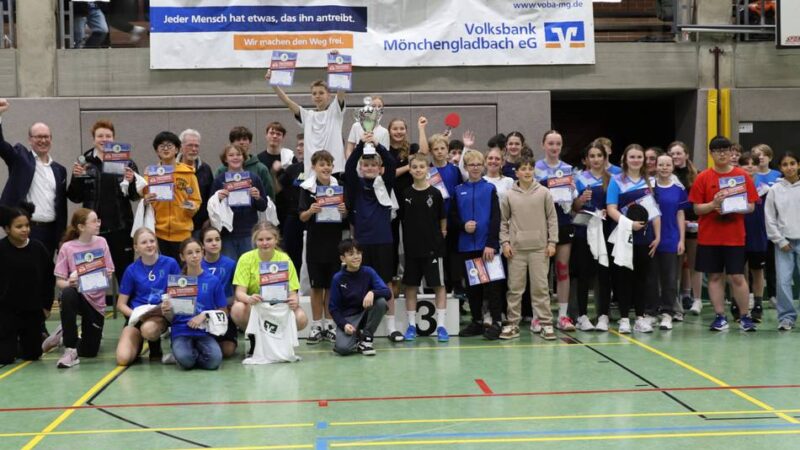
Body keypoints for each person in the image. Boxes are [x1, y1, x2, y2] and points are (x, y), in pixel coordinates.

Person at [688, 136, 759, 332]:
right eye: (717, 150)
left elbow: (751, 206)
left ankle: (745, 317)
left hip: (734, 237)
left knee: (737, 277)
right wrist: (713, 205)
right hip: (709, 237)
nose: (722, 154)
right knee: (715, 277)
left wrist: (733, 207)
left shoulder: (742, 176)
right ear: (711, 154)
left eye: (725, 150)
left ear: (731, 153)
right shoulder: (703, 178)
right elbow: (696, 209)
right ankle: (720, 317)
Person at [67, 120, 138, 291]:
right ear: (93, 139)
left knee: (125, 274)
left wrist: (132, 180)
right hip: (92, 231)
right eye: (100, 136)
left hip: (121, 228)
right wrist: (76, 177)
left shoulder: (127, 162)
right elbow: (75, 197)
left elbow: (135, 196)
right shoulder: (84, 163)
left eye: (108, 136)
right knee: (92, 276)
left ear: (113, 138)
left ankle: (130, 316)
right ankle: (92, 317)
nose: (104, 139)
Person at [344, 133, 400, 341]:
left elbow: (392, 165)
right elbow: (349, 167)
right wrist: (360, 145)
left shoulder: (384, 183)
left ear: (379, 168)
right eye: (365, 166)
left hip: (384, 241)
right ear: (361, 168)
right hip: (362, 243)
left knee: (386, 284)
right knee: (363, 284)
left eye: (373, 166)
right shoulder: (356, 185)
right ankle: (365, 327)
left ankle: (392, 327)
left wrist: (378, 146)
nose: (369, 168)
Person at [0, 98, 68, 259]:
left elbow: (61, 206)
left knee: (45, 277)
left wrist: (62, 236)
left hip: (51, 232)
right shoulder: (20, 159)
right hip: (26, 229)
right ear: (30, 140)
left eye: (46, 137)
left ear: (51, 139)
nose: (42, 140)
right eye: (38, 137)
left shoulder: (60, 170)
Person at [499, 157, 558, 341]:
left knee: (540, 288)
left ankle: (546, 324)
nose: (526, 172)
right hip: (516, 250)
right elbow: (503, 222)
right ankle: (512, 324)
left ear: (534, 171)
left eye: (529, 169)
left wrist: (552, 242)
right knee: (515, 289)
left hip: (540, 249)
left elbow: (552, 219)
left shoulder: (544, 193)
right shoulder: (509, 195)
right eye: (522, 169)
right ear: (516, 172)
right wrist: (505, 243)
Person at [606, 144, 662, 333]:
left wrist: (658, 235)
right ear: (625, 159)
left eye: (639, 157)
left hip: (645, 238)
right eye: (632, 157)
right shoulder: (616, 181)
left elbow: (654, 212)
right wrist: (628, 223)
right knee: (623, 278)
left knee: (641, 278)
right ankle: (623, 319)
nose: (636, 160)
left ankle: (640, 317)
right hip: (624, 236)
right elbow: (611, 208)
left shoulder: (651, 182)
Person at [50, 208, 114, 368]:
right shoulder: (67, 247)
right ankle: (70, 349)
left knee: (89, 351)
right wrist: (70, 283)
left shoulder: (102, 243)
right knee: (68, 293)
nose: (98, 223)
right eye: (94, 221)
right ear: (81, 227)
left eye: (98, 220)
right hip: (77, 296)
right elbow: (59, 281)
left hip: (95, 302)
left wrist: (99, 276)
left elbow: (110, 273)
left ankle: (62, 334)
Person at [231, 222, 308, 354]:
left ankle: (279, 341)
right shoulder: (245, 259)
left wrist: (294, 300)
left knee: (301, 318)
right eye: (260, 239)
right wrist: (249, 298)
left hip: (279, 306)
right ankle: (254, 337)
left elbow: (293, 292)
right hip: (256, 306)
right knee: (237, 309)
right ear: (255, 241)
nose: (265, 243)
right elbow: (239, 293)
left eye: (269, 239)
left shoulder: (284, 259)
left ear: (276, 239)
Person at [451, 150, 503, 339]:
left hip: (486, 246)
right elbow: (453, 218)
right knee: (473, 287)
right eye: (471, 165)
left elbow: (496, 218)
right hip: (467, 246)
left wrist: (491, 243)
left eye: (478, 164)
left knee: (492, 286)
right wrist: (463, 226)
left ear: (483, 166)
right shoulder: (458, 190)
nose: (475, 168)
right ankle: (477, 321)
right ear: (465, 167)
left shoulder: (489, 189)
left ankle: (497, 321)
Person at [298, 150, 347, 344]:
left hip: (334, 243)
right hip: (315, 243)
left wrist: (344, 211)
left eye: (329, 164)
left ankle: (330, 325)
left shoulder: (340, 186)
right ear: (314, 167)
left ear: (333, 167)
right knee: (317, 287)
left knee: (331, 286)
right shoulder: (306, 188)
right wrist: (310, 210)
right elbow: (301, 217)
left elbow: (346, 216)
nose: (325, 167)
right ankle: (317, 325)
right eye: (321, 164)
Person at [400, 153, 449, 342]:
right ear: (410, 170)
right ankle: (411, 325)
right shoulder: (405, 194)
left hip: (433, 250)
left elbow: (442, 217)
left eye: (422, 166)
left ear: (428, 169)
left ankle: (442, 326)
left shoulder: (435, 193)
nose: (418, 170)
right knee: (411, 287)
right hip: (412, 250)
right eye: (415, 167)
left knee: (439, 285)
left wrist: (442, 233)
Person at [115, 227, 181, 366]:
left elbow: (179, 295)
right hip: (137, 317)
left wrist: (168, 306)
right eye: (144, 242)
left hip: (161, 315)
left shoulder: (170, 263)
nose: (149, 245)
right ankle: (138, 343)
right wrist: (137, 315)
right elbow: (121, 304)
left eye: (152, 241)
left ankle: (155, 348)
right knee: (123, 359)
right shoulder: (131, 270)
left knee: (149, 329)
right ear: (136, 247)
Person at [266, 63, 346, 176]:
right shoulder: (307, 116)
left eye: (321, 93)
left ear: (329, 95)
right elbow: (288, 102)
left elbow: (341, 89)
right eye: (314, 94)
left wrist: (339, 64)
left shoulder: (335, 112)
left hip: (334, 171)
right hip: (312, 173)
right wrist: (274, 84)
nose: (317, 96)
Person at [0, 203, 55, 364]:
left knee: (33, 354)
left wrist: (46, 306)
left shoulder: (38, 248)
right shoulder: (1, 250)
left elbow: (48, 279)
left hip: (32, 311)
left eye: (27, 225)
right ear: (7, 229)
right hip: (6, 312)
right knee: (5, 358)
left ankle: (33, 340)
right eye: (19, 226)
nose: (24, 229)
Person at [160, 238, 226, 370]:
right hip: (181, 332)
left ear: (202, 253)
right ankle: (182, 356)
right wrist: (167, 312)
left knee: (214, 362)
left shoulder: (213, 280)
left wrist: (205, 315)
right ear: (182, 257)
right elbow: (171, 319)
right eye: (189, 253)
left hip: (204, 332)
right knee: (187, 361)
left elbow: (224, 311)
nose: (194, 256)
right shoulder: (176, 282)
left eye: (197, 251)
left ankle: (184, 355)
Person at [534, 130, 576, 331]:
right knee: (540, 273)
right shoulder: (535, 169)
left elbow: (574, 201)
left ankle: (563, 316)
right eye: (550, 143)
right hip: (541, 225)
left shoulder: (568, 169)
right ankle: (538, 316)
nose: (554, 147)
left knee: (562, 269)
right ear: (543, 145)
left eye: (558, 143)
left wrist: (574, 191)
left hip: (563, 222)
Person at [571, 143, 613, 331]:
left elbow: (616, 205)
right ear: (587, 159)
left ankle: (603, 315)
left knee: (604, 274)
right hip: (583, 232)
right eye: (592, 156)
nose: (596, 159)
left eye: (599, 155)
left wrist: (607, 211)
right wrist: (580, 200)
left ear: (605, 158)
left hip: (605, 231)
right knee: (583, 275)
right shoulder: (579, 179)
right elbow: (574, 208)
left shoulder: (613, 179)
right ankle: (582, 316)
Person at [142, 131, 201, 261]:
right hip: (158, 234)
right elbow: (143, 199)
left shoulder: (188, 174)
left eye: (170, 145)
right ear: (157, 151)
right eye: (161, 146)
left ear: (177, 150)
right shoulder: (150, 174)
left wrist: (191, 207)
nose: (166, 149)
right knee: (162, 275)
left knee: (182, 275)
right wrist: (145, 200)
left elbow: (196, 199)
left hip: (183, 234)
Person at [329, 239, 390, 356]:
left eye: (358, 253)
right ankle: (356, 337)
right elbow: (333, 308)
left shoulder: (369, 272)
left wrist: (372, 292)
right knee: (343, 349)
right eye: (351, 254)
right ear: (342, 259)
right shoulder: (338, 278)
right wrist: (344, 324)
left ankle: (366, 340)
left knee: (381, 302)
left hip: (366, 313)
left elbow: (387, 292)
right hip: (349, 318)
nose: (356, 257)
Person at [210, 144, 269, 260]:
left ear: (243, 157)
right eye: (231, 155)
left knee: (250, 267)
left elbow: (263, 206)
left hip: (249, 232)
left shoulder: (254, 178)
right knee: (231, 268)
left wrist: (257, 197)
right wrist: (219, 198)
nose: (235, 157)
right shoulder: (219, 180)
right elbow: (211, 207)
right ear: (225, 159)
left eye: (238, 154)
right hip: (227, 233)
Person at [764, 152, 800, 331]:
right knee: (783, 281)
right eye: (785, 164)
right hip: (784, 243)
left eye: (793, 163)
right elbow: (769, 218)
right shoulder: (774, 190)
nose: (789, 167)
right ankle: (786, 317)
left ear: (798, 165)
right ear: (780, 168)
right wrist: (779, 240)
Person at [652, 154, 687, 331]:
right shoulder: (648, 186)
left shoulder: (678, 189)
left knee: (670, 279)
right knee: (650, 277)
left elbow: (680, 214)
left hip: (671, 238)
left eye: (668, 164)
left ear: (673, 167)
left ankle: (667, 313)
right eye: (661, 164)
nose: (664, 167)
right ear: (655, 166)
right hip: (651, 238)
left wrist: (681, 239)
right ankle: (650, 312)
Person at [668, 141, 700, 318]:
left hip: (694, 224)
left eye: (679, 153)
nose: (675, 157)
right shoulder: (667, 175)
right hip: (674, 225)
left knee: (695, 263)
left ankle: (697, 300)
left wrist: (696, 221)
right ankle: (676, 300)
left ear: (686, 155)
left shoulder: (696, 175)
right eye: (672, 154)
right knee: (676, 265)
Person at [737, 152, 769, 323]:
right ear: (739, 167)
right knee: (738, 271)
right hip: (738, 235)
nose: (750, 166)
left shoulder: (765, 189)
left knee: (757, 271)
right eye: (745, 163)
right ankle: (738, 303)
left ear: (758, 166)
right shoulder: (734, 188)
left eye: (753, 163)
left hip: (758, 235)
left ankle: (757, 304)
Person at [752, 143, 781, 320]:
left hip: (773, 226)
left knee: (772, 262)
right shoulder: (750, 176)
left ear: (770, 157)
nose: (760, 157)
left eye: (764, 155)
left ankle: (773, 295)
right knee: (755, 265)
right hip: (755, 226)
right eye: (757, 155)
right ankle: (754, 298)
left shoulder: (777, 176)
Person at [199, 226, 237, 357]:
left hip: (223, 313)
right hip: (201, 314)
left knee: (227, 351)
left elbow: (238, 291)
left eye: (217, 239)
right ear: (202, 245)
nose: (214, 243)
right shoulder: (195, 264)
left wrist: (229, 303)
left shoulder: (231, 264)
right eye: (209, 240)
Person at [276, 133, 305, 272]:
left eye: (302, 145)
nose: (299, 149)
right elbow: (277, 189)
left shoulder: (320, 168)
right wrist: (274, 172)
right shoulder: (292, 169)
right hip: (293, 217)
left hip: (314, 217)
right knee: (292, 255)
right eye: (298, 145)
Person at [222, 126, 275, 200]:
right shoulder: (222, 169)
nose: (241, 142)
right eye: (238, 139)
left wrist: (258, 197)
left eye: (245, 139)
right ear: (232, 143)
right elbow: (214, 197)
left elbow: (269, 197)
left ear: (250, 142)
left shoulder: (261, 169)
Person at [178, 129, 214, 237]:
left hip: (200, 227)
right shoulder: (171, 169)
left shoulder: (205, 169)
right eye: (190, 145)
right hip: (178, 226)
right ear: (181, 147)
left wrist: (209, 219)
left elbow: (211, 196)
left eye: (196, 146)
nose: (193, 149)